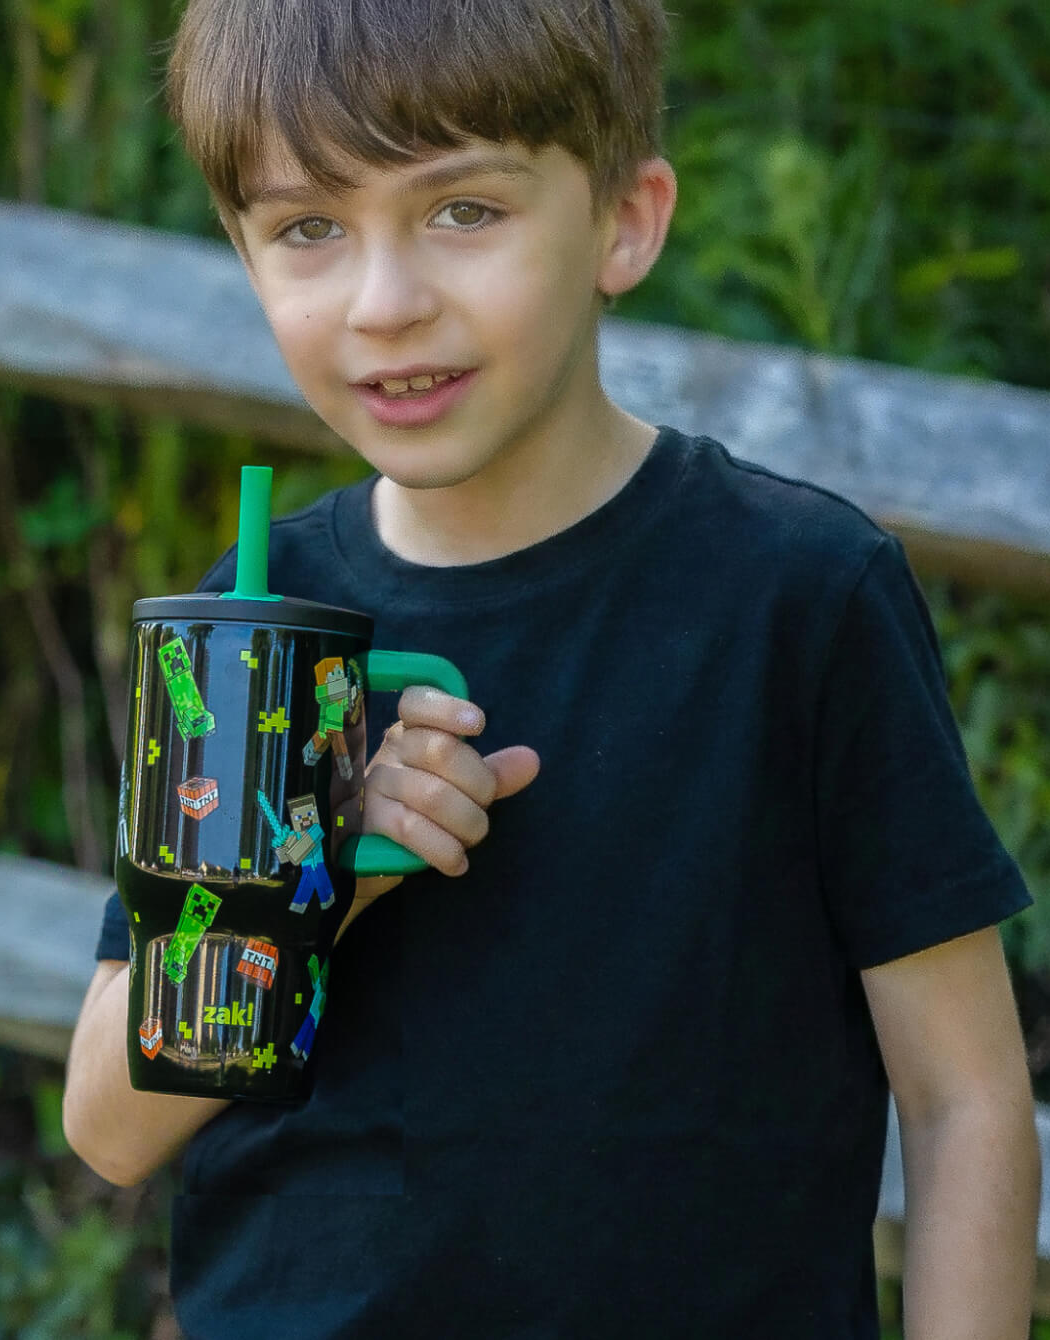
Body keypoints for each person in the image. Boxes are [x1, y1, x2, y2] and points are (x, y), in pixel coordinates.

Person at [62, 1, 1039, 1334]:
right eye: (308, 230)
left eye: (463, 211)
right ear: (246, 256)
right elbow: (110, 1126)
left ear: (625, 221)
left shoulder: (799, 595)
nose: (387, 304)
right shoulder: (245, 629)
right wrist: (305, 881)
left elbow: (965, 1101)